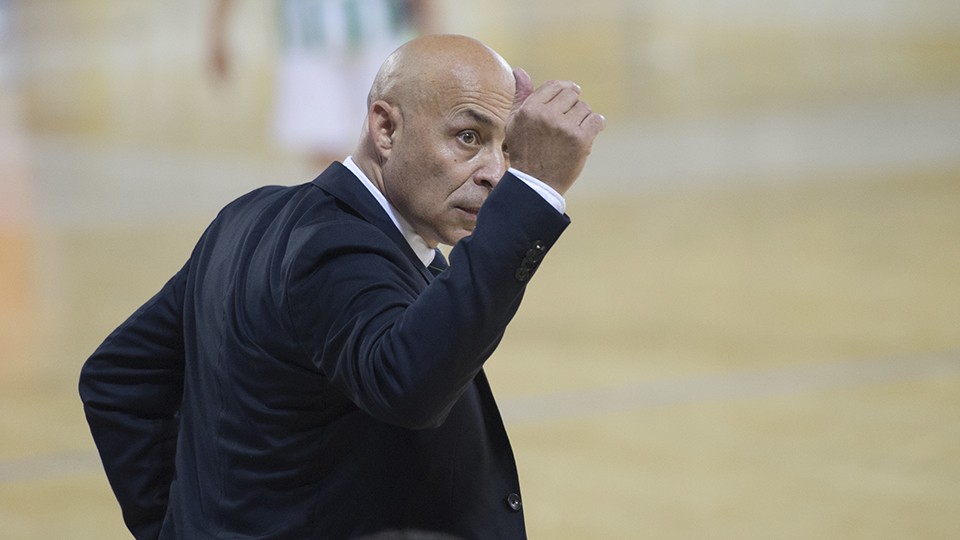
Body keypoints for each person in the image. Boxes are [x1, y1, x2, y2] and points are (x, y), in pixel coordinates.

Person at [80, 34, 604, 539]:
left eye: (506, 148)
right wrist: (533, 191)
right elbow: (409, 384)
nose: (494, 172)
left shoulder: (249, 215)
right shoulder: (337, 250)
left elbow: (118, 378)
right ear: (385, 128)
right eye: (469, 137)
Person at [209, 0, 435, 169]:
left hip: (380, 34)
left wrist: (432, 37)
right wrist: (218, 34)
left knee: (391, 137)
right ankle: (345, 218)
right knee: (322, 143)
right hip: (309, 38)